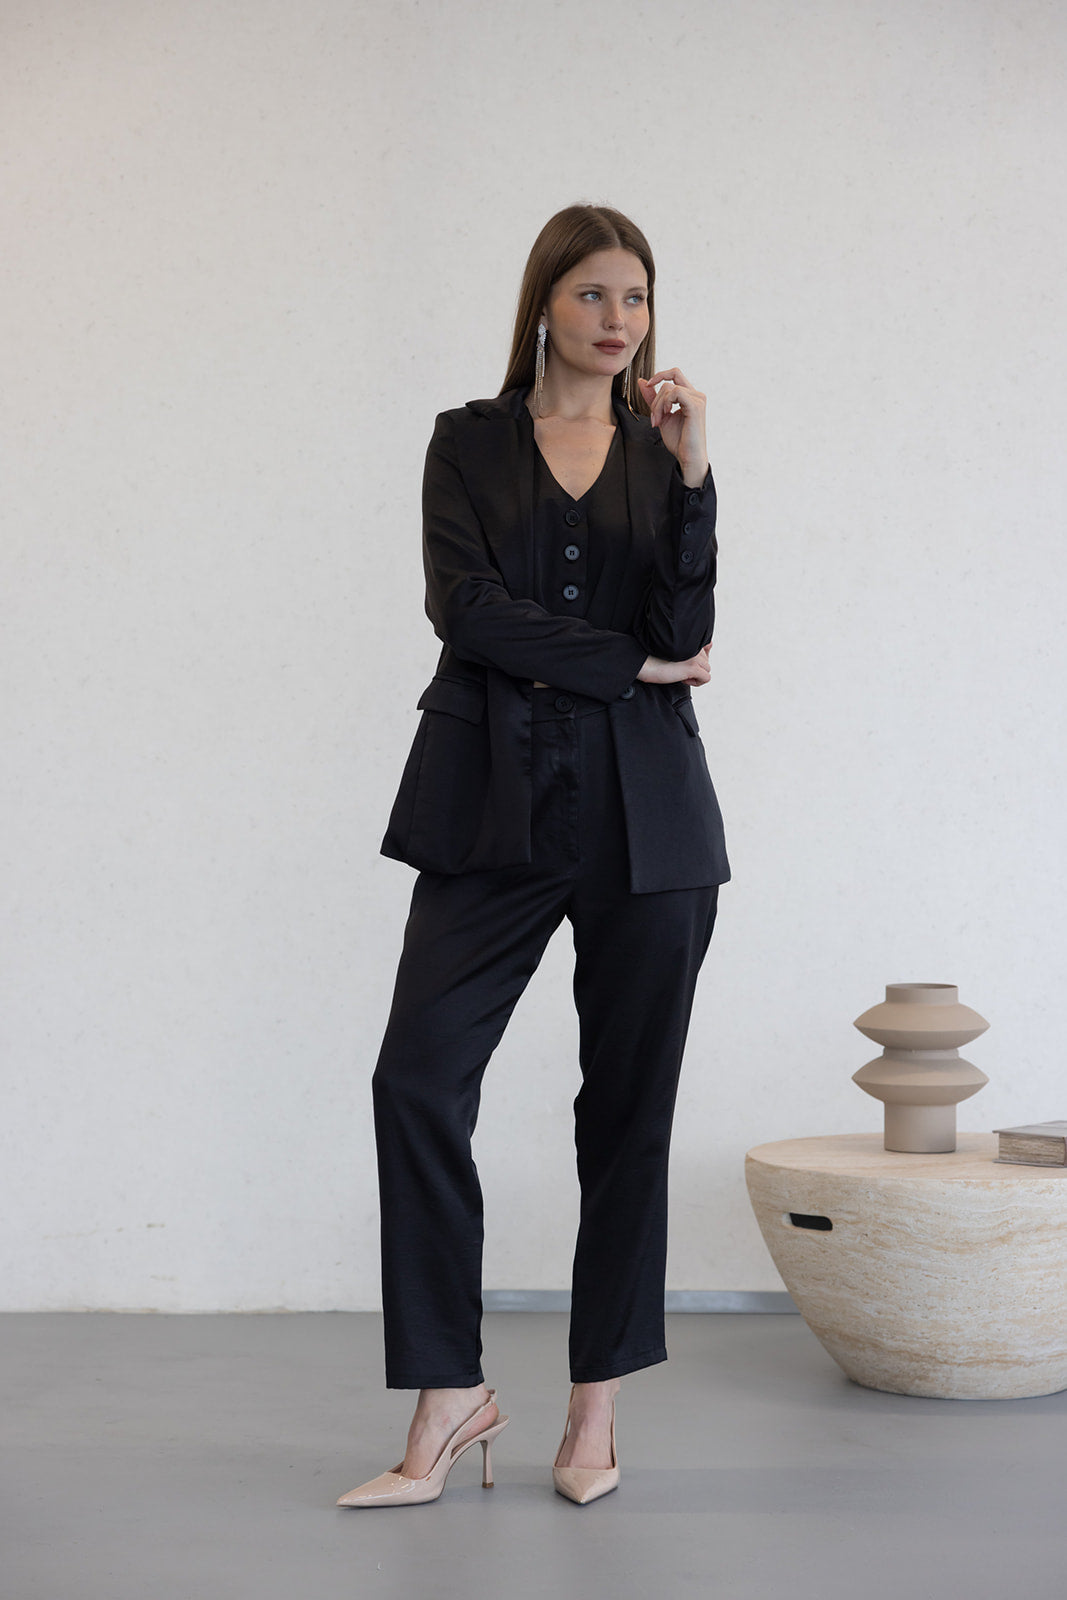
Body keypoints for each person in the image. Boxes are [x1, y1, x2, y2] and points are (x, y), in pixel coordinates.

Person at [337, 203, 730, 1509]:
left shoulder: (661, 455)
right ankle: (449, 1395)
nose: (619, 320)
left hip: (647, 817)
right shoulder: (467, 443)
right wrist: (627, 664)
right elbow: (467, 611)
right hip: (486, 805)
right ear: (544, 305)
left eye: (637, 297)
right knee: (417, 1080)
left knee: (626, 1112)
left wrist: (694, 474)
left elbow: (687, 625)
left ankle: (595, 1407)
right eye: (593, 294)